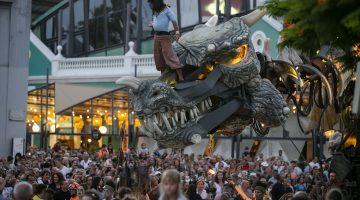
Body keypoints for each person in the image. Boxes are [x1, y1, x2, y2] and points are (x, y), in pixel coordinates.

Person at [148, 0, 184, 81]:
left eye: (151, 3)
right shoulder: (155, 11)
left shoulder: (167, 10)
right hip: (156, 36)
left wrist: (177, 32)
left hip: (164, 36)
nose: (150, 5)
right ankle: (163, 76)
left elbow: (174, 21)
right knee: (158, 55)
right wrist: (153, 24)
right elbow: (157, 22)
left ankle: (180, 75)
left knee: (169, 54)